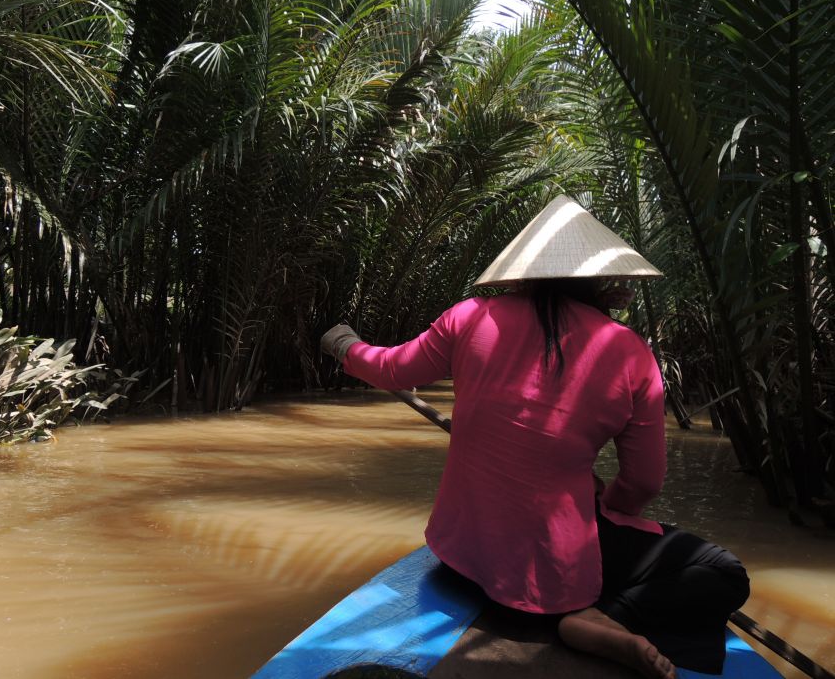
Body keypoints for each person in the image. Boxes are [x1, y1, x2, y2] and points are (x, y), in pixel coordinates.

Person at [321, 196, 749, 679]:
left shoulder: (470, 316)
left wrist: (346, 346)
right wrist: (603, 507)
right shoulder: (629, 352)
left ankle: (592, 610)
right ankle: (603, 619)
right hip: (551, 581)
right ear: (603, 276)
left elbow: (392, 367)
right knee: (723, 573)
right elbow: (644, 483)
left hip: (457, 552)